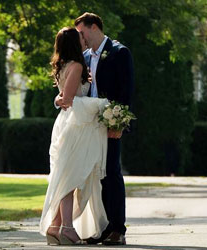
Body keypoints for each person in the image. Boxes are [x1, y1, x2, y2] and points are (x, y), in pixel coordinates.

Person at [65, 12, 134, 245]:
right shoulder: (83, 57)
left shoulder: (119, 52)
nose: (80, 38)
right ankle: (101, 227)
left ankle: (118, 229)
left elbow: (126, 91)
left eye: (82, 32)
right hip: (87, 126)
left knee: (111, 174)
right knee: (92, 177)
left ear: (94, 27)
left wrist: (120, 123)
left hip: (109, 125)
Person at [39, 26, 110, 245]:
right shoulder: (77, 65)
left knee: (68, 176)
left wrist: (57, 100)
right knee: (71, 178)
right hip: (75, 128)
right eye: (80, 36)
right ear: (74, 42)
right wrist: (100, 105)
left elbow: (62, 98)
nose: (84, 38)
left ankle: (55, 226)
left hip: (69, 123)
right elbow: (69, 99)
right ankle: (67, 228)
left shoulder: (65, 65)